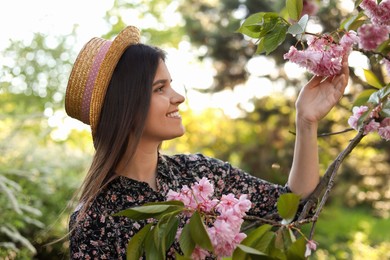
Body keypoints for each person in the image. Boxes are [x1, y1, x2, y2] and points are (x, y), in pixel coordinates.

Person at [65, 25, 349, 259]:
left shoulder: (201, 173)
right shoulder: (94, 221)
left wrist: (306, 121)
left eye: (171, 84)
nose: (178, 97)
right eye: (160, 88)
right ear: (126, 105)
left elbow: (292, 205)